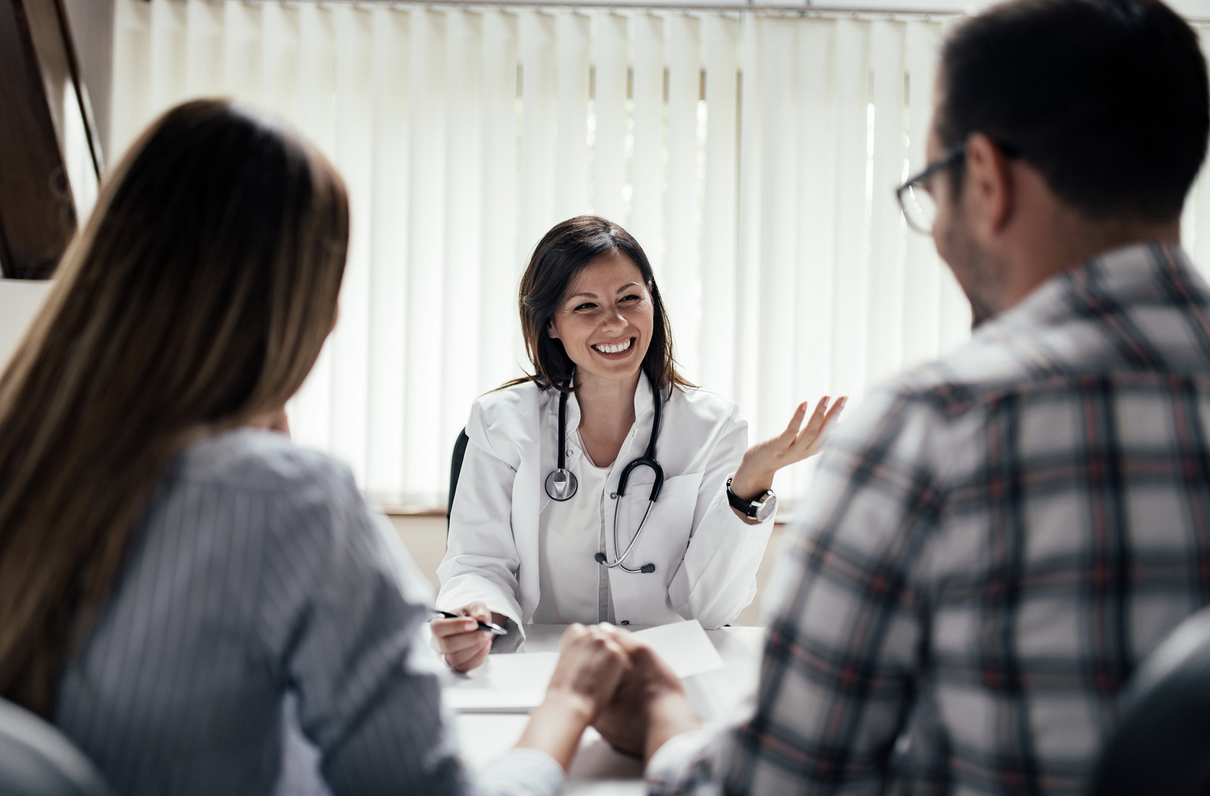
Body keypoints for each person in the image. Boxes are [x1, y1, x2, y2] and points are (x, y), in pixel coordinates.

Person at [588, 0, 1210, 793]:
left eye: (931, 187)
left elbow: (779, 782)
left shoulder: (940, 427)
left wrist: (663, 719)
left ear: (985, 177)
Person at [0, 99, 634, 796]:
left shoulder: (29, 454)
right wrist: (567, 705)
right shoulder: (291, 502)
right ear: (306, 311)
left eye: (630, 299)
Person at [434, 216, 845, 671]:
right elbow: (477, 562)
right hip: (543, 667)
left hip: (668, 669)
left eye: (630, 298)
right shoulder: (501, 422)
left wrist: (749, 487)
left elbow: (710, 610)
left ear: (652, 301)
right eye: (585, 307)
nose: (615, 322)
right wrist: (478, 617)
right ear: (551, 323)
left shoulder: (713, 425)